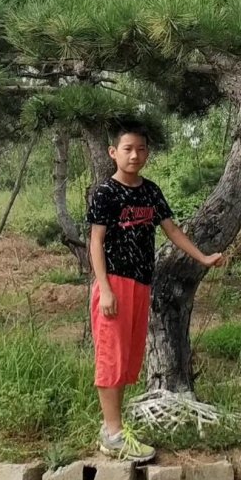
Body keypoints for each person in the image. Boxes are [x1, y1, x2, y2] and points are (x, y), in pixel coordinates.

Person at [86, 121, 224, 460]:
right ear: (113, 153)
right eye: (128, 149)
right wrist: (105, 289)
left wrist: (202, 257)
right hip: (114, 283)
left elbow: (172, 231)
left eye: (141, 149)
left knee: (128, 358)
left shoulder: (150, 191)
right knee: (111, 356)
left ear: (147, 153)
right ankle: (113, 433)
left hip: (140, 283)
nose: (134, 155)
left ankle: (112, 430)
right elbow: (96, 242)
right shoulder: (106, 193)